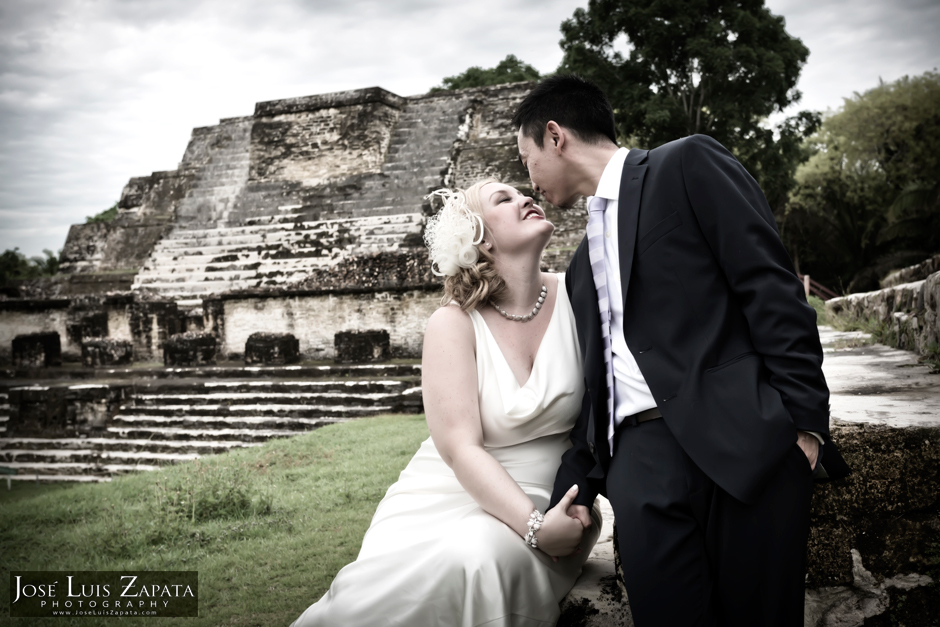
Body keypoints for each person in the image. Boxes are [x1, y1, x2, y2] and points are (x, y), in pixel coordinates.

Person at [512, 75, 851, 626]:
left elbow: (771, 291)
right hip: (641, 468)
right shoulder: (576, 271)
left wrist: (805, 429)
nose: (529, 179)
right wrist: (572, 491)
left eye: (527, 159)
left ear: (555, 136)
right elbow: (598, 388)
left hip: (748, 445)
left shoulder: (685, 165)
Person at [290, 179, 601, 627]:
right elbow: (460, 448)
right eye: (504, 199)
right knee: (414, 579)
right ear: (480, 240)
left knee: (477, 556)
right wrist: (535, 529)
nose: (526, 198)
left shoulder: (579, 297)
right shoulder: (452, 324)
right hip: (448, 491)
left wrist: (565, 513)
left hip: (552, 494)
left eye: (521, 193)